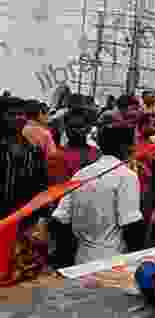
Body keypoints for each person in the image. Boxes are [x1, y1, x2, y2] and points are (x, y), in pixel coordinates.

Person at [51, 120, 145, 265]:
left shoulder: (81, 174)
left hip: (80, 260)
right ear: (127, 147)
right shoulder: (126, 176)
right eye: (134, 142)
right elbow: (131, 225)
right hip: (113, 259)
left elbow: (60, 219)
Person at [0, 96, 49, 283]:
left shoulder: (34, 151)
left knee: (22, 276)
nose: (18, 118)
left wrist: (41, 220)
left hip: (24, 224)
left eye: (21, 114)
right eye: (11, 114)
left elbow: (41, 187)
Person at [47, 107, 101, 186]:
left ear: (88, 128)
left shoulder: (97, 154)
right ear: (65, 128)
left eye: (80, 127)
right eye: (72, 127)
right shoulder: (56, 156)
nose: (76, 131)